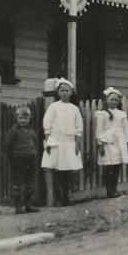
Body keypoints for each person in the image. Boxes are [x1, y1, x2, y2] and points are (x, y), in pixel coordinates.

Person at [41, 78, 83, 206]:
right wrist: (48, 141)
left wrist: (77, 144)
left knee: (67, 172)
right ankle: (57, 198)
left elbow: (79, 128)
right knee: (56, 171)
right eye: (62, 90)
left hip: (69, 143)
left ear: (71, 92)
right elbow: (47, 125)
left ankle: (66, 197)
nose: (65, 93)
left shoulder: (74, 109)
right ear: (58, 93)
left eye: (67, 90)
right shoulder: (54, 107)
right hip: (56, 142)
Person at [94, 87, 128, 198]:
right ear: (106, 100)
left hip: (119, 143)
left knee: (116, 167)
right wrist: (101, 144)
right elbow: (99, 130)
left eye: (116, 100)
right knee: (109, 167)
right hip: (107, 143)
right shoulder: (103, 114)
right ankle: (109, 190)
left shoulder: (121, 114)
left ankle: (114, 188)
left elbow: (126, 129)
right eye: (111, 99)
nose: (114, 102)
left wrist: (127, 142)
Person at [3, 106, 40, 214]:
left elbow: (35, 144)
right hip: (18, 161)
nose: (23, 120)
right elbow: (7, 146)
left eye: (25, 118)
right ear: (16, 118)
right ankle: (18, 206)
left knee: (29, 183)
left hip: (30, 160)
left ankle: (28, 205)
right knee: (18, 183)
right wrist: (12, 160)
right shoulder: (13, 131)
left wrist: (33, 154)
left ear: (29, 118)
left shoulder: (31, 131)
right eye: (20, 118)